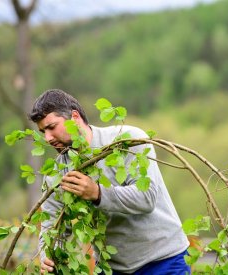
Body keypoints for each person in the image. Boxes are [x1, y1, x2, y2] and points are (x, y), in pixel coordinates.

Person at [28, 89, 190, 274]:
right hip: (111, 267)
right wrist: (48, 256)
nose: (47, 138)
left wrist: (97, 193)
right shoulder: (57, 173)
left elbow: (147, 197)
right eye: (43, 132)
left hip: (163, 259)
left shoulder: (128, 141)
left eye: (51, 127)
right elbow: (52, 226)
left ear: (74, 117)